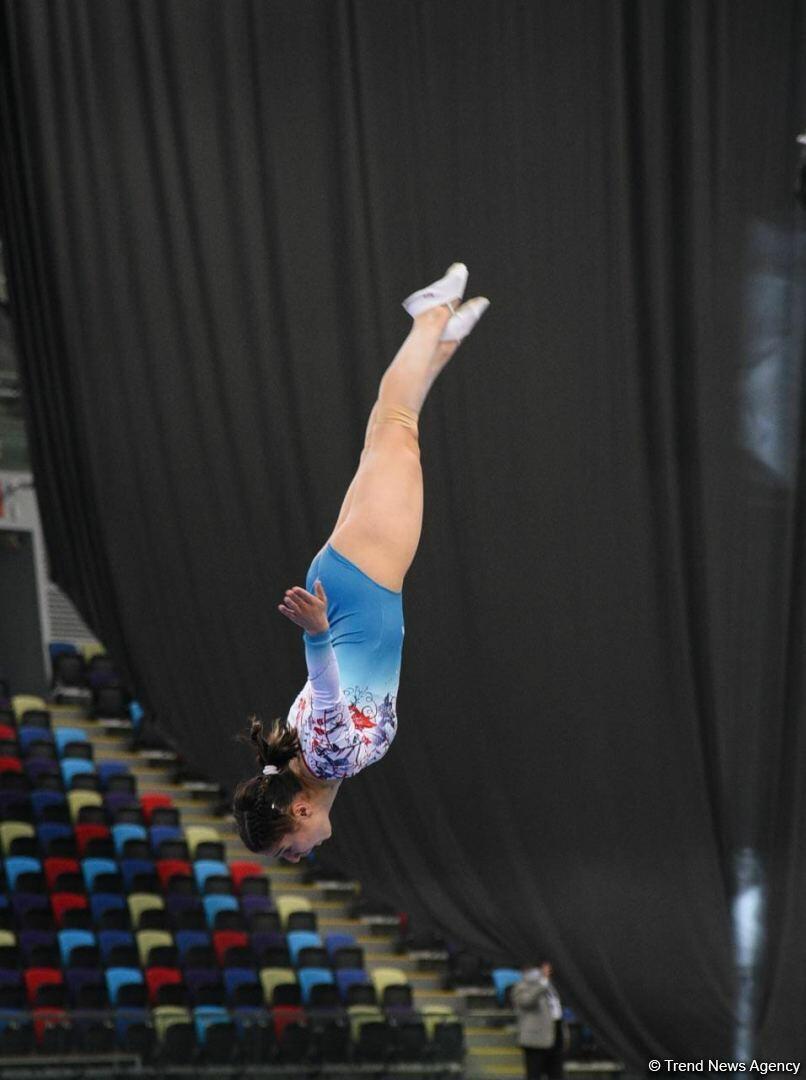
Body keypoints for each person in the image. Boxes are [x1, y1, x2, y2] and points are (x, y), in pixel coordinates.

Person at [232, 264, 489, 861]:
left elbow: (327, 692)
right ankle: (438, 344)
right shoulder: (306, 759)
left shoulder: (326, 759)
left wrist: (317, 634)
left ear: (299, 812)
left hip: (364, 584)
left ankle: (431, 315)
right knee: (386, 434)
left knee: (398, 430)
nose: (300, 856)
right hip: (346, 580)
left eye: (290, 850)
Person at [512, 961, 565, 1080]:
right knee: (534, 1074)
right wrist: (542, 984)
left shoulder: (550, 986)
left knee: (556, 1073)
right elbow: (526, 1002)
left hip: (555, 1032)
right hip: (535, 1038)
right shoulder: (522, 985)